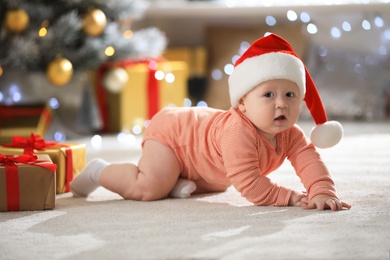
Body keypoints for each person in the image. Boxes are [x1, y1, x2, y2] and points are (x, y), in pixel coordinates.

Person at [71, 33, 351, 211]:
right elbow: (249, 183)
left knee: (220, 181)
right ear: (242, 102)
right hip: (174, 137)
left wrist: (322, 190)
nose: (281, 103)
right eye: (268, 94)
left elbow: (308, 160)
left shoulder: (291, 133)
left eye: (290, 94)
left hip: (202, 154)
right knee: (150, 188)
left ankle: (179, 180)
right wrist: (288, 197)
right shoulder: (238, 133)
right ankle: (100, 171)